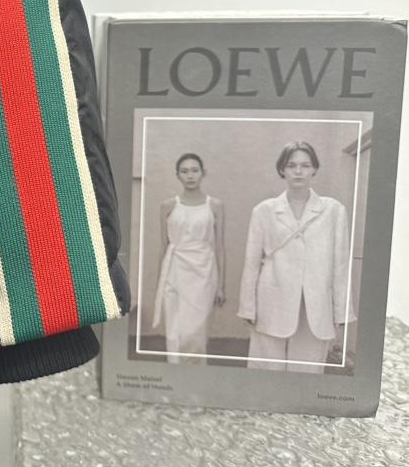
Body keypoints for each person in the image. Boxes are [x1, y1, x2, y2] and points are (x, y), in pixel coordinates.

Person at [237, 142, 357, 372]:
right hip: (272, 300)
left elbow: (341, 265)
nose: (298, 171)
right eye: (291, 166)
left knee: (307, 371)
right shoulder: (264, 210)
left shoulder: (333, 210)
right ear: (282, 169)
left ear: (314, 169)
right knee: (266, 369)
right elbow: (251, 264)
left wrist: (341, 310)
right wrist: (247, 307)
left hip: (315, 303)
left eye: (305, 165)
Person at [152, 153, 226, 363]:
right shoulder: (168, 206)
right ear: (178, 175)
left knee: (196, 334)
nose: (190, 176)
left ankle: (195, 375)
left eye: (194, 171)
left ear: (203, 173)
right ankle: (175, 373)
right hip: (174, 272)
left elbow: (219, 247)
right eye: (184, 171)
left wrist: (221, 286)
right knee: (175, 331)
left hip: (204, 273)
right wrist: (160, 283)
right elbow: (163, 246)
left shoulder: (215, 205)